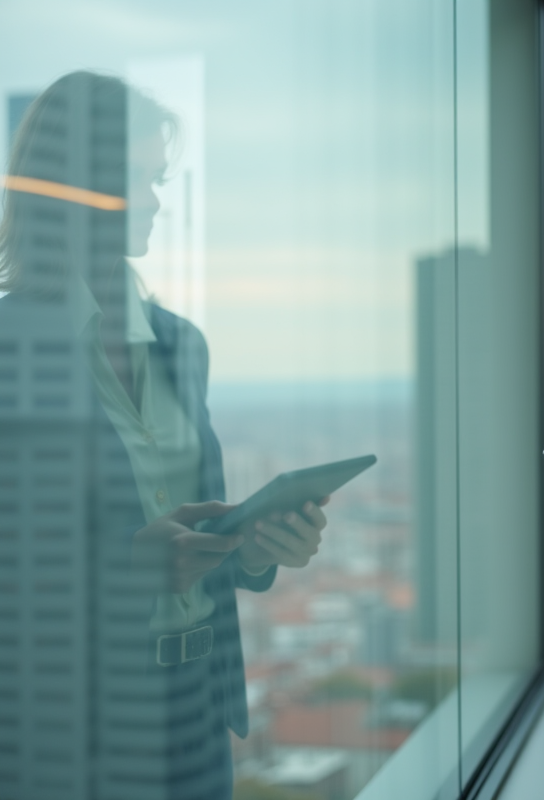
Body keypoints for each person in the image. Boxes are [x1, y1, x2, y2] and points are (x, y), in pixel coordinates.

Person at [0, 71, 327, 799]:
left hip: (195, 706)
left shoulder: (182, 345)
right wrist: (125, 571)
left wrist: (258, 545)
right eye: (131, 179)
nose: (152, 201)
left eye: (158, 179)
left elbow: (198, 527)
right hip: (69, 719)